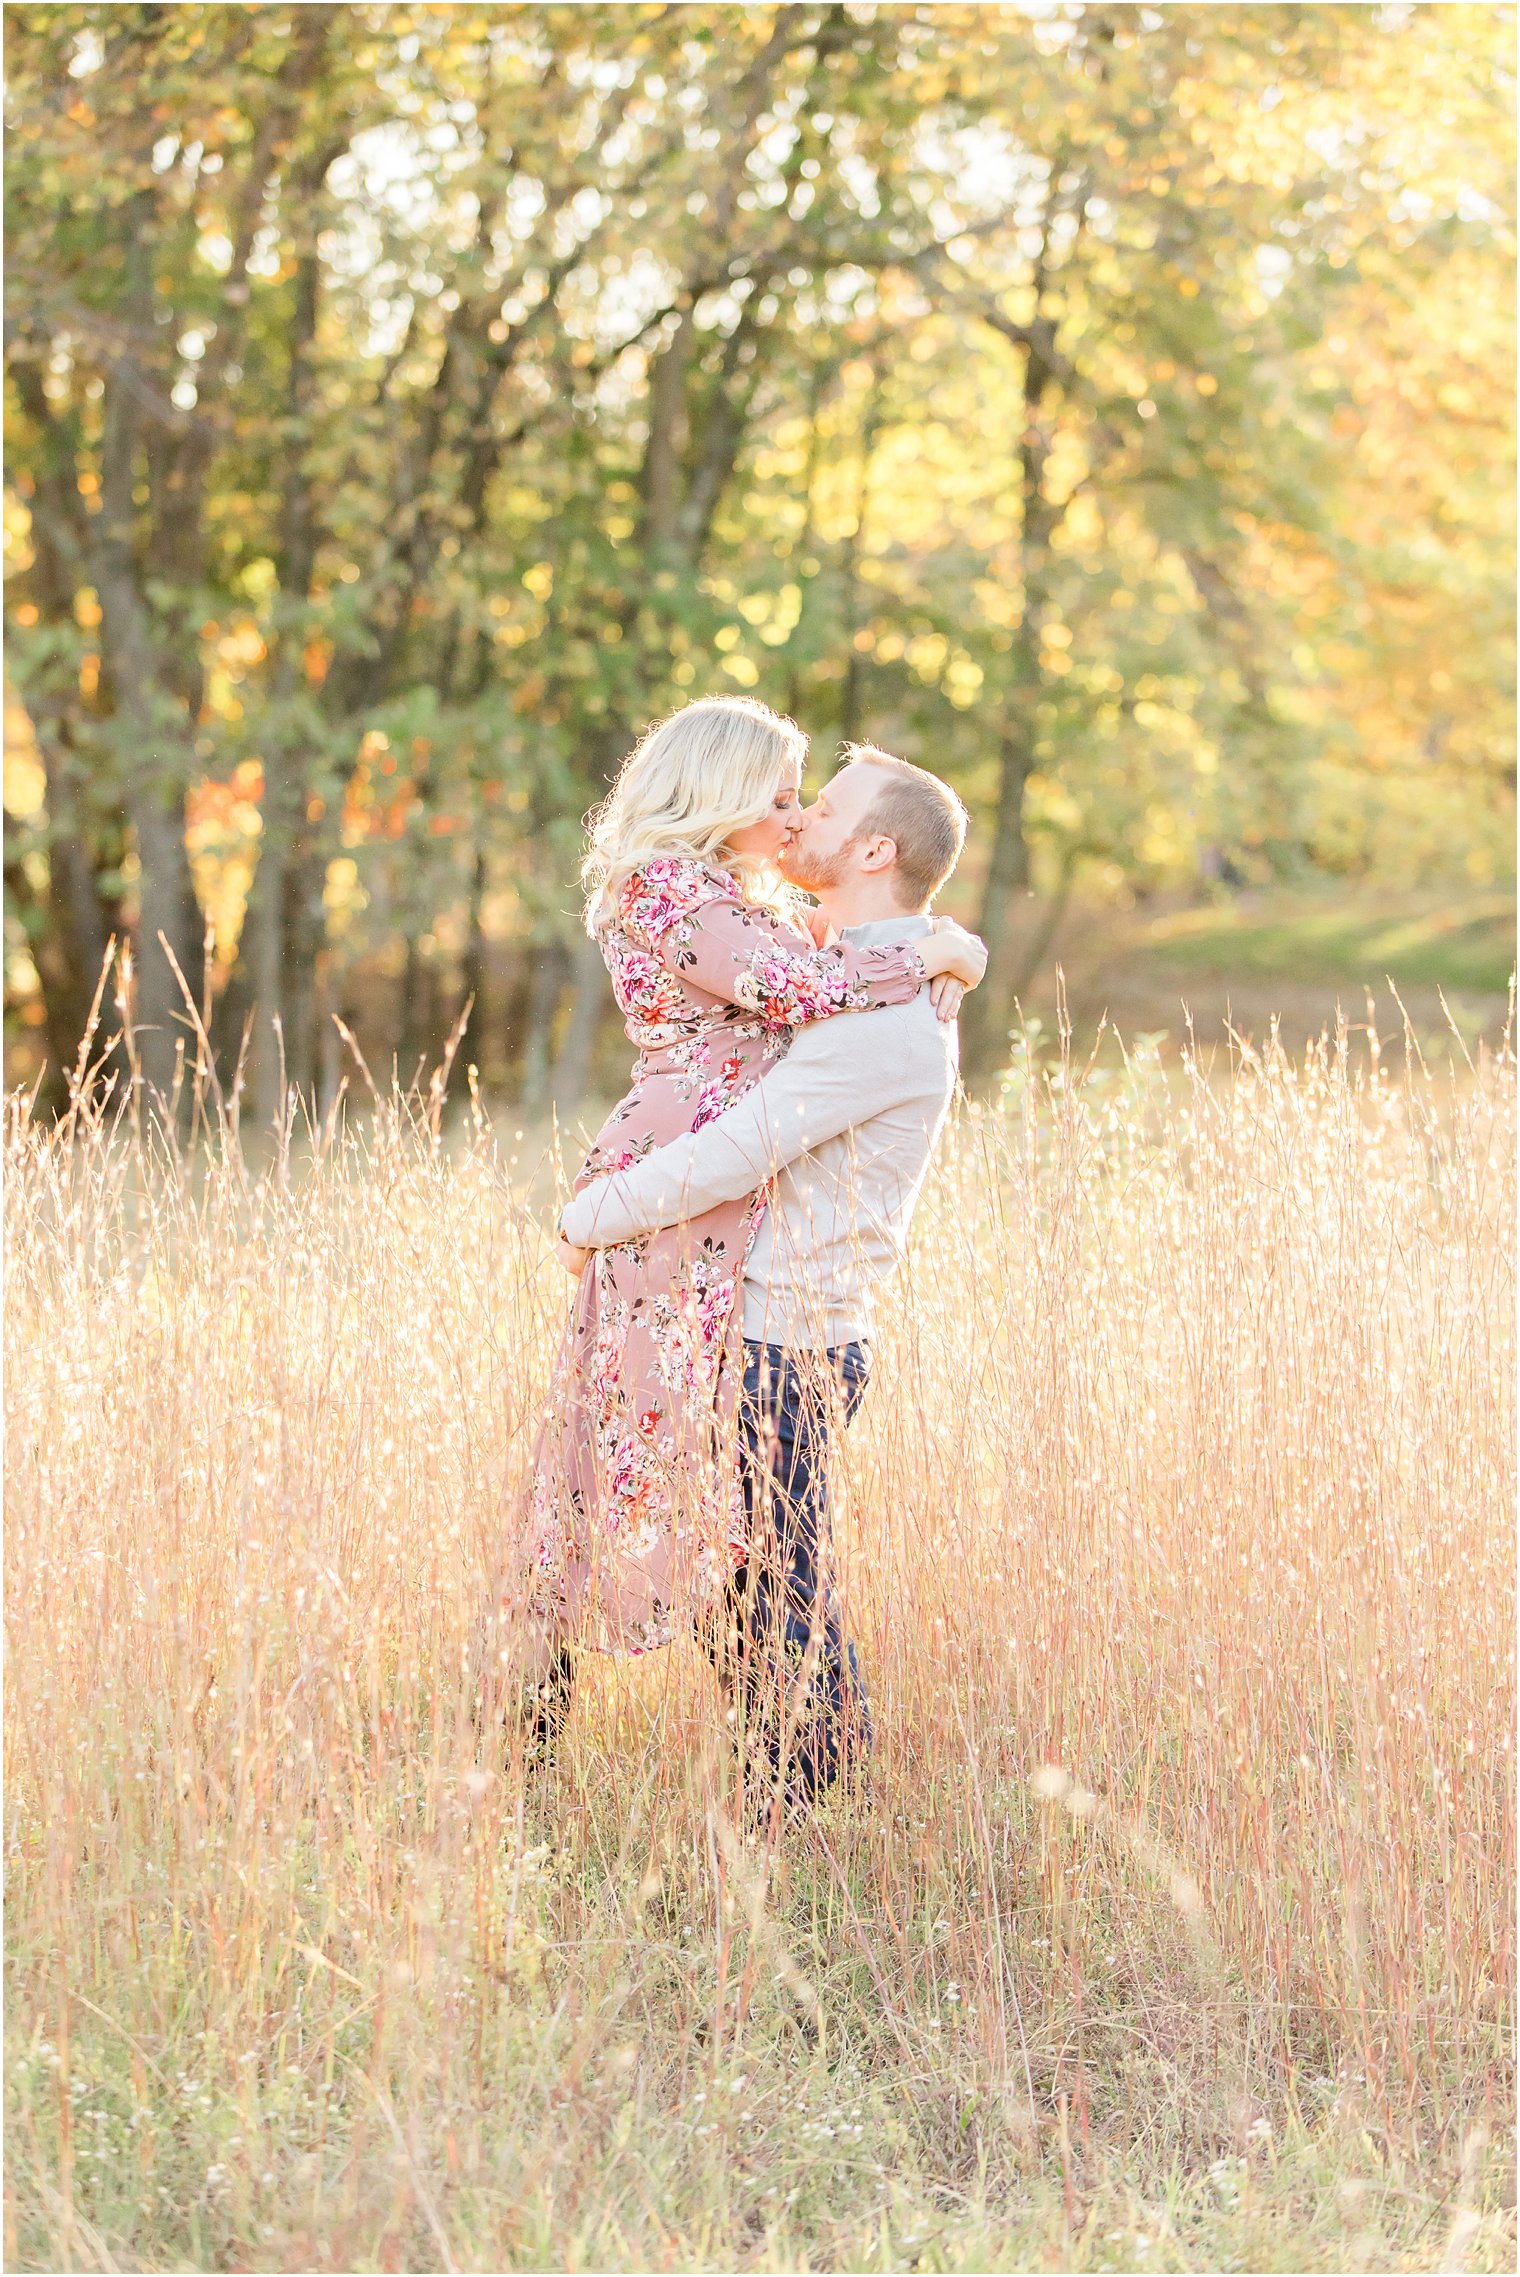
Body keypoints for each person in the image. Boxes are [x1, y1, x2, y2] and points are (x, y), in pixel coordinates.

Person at [506, 699, 986, 1738]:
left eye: (801, 798)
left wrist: (945, 943)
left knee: (748, 1536)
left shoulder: (737, 895)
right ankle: (533, 1684)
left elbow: (818, 962)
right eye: (775, 797)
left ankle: (794, 1761)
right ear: (717, 793)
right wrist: (941, 952)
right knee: (635, 1455)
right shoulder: (672, 891)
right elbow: (796, 981)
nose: (790, 816)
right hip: (678, 1179)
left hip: (727, 1216)